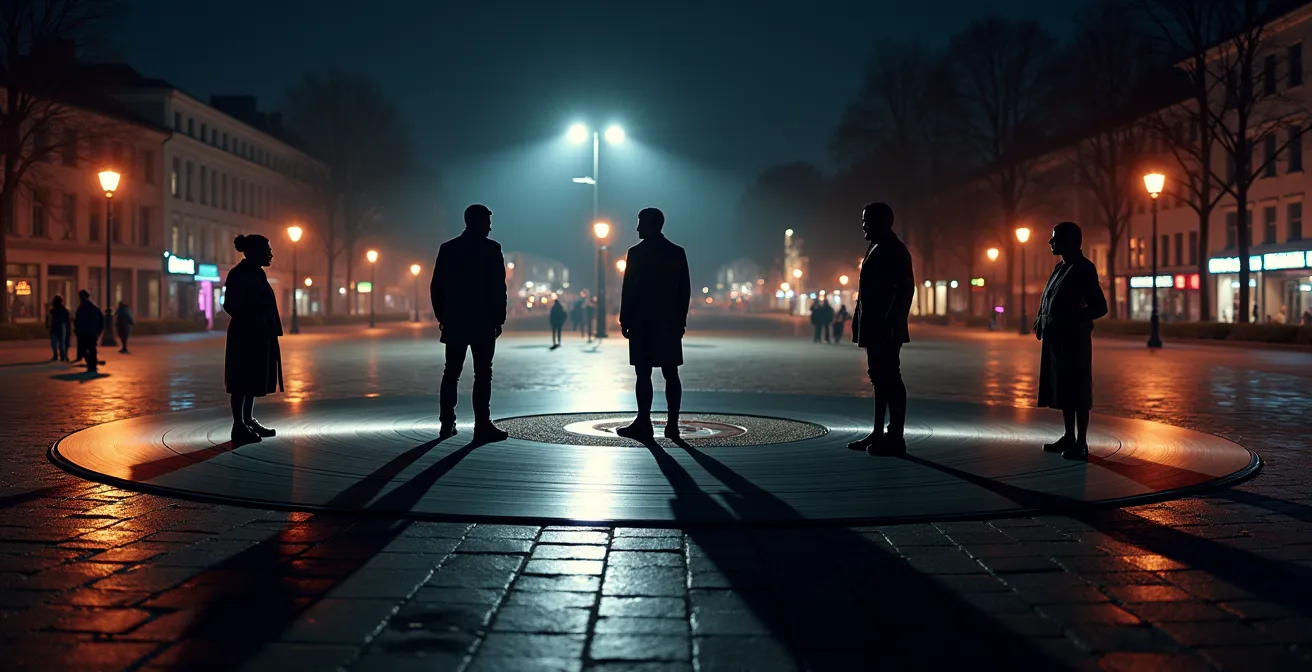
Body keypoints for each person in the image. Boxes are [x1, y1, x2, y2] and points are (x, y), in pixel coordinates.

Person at [432, 204, 509, 443]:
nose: (490, 227)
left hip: (455, 320)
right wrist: (498, 318)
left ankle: (446, 423)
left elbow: (437, 287)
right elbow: (499, 288)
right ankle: (482, 425)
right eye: (487, 222)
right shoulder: (492, 249)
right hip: (483, 321)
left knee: (451, 372)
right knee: (483, 373)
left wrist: (443, 316)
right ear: (480, 222)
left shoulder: (448, 248)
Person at [1034, 222, 1108, 461]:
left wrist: (1072, 320)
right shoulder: (1061, 267)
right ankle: (1069, 436)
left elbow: (1099, 306)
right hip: (1057, 339)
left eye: (1055, 238)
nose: (1050, 242)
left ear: (1070, 241)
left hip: (1074, 341)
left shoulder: (1084, 268)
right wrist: (1041, 318)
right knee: (1063, 388)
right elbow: (1049, 297)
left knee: (1078, 390)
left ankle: (1081, 442)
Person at [616, 207, 692, 441]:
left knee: (643, 373)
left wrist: (625, 319)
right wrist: (680, 322)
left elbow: (629, 289)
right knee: (671, 373)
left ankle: (644, 422)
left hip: (642, 323)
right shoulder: (677, 253)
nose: (637, 227)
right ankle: (672, 424)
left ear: (650, 224)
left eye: (640, 222)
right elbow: (684, 292)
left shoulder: (636, 253)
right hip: (669, 323)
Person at [848, 202, 914, 456]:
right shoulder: (877, 247)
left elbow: (905, 290)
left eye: (867, 221)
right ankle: (878, 432)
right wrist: (859, 319)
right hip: (875, 325)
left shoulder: (894, 250)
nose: (863, 226)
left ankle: (895, 436)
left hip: (885, 328)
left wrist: (892, 322)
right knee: (879, 377)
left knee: (890, 378)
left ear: (882, 222)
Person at [223, 234, 284, 445]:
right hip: (245, 335)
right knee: (241, 379)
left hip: (258, 334)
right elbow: (230, 304)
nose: (271, 254)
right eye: (267, 250)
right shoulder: (239, 274)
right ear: (255, 252)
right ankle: (238, 425)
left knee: (252, 378)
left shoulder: (257, 273)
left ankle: (247, 420)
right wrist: (253, 320)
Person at [73, 290, 104, 374]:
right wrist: (99, 330)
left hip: (84, 332)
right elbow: (101, 319)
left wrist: (77, 330)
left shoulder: (81, 308)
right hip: (93, 332)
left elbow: (77, 321)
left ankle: (91, 363)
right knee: (92, 348)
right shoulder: (94, 307)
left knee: (83, 349)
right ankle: (92, 364)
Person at [47, 296, 71, 362]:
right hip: (62, 327)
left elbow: (49, 319)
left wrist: (49, 327)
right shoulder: (64, 310)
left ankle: (56, 355)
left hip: (55, 327)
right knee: (62, 342)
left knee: (54, 343)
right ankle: (62, 356)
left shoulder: (53, 310)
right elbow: (67, 320)